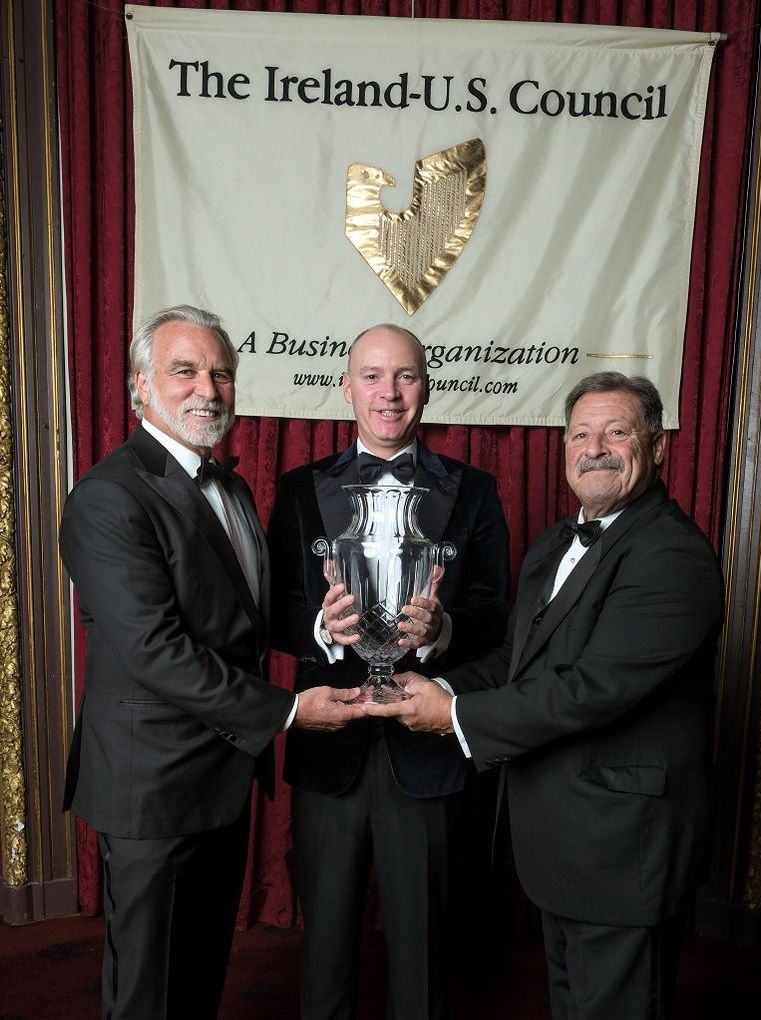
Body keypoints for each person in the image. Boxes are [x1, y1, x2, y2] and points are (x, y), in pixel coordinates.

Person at [367, 372, 725, 1020]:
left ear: (659, 445)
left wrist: (451, 716)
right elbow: (518, 659)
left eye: (617, 431)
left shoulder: (671, 556)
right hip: (563, 844)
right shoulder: (557, 542)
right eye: (581, 434)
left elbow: (588, 692)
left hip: (623, 851)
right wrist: (441, 683)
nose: (596, 447)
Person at [60, 305, 364, 1020]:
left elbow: (238, 625)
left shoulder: (230, 487)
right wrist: (289, 709)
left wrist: (324, 627)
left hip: (222, 777)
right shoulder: (108, 497)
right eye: (185, 370)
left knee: (197, 979)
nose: (208, 388)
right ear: (141, 386)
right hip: (153, 785)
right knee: (146, 992)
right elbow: (154, 650)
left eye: (222, 373)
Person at [267, 323, 510, 1020]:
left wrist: (444, 633)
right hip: (329, 745)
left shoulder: (472, 490)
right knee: (325, 952)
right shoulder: (299, 490)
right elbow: (275, 606)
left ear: (425, 387)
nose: (389, 392)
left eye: (404, 376)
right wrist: (321, 627)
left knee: (423, 951)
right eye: (372, 376)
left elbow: (498, 610)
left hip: (427, 753)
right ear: (346, 387)